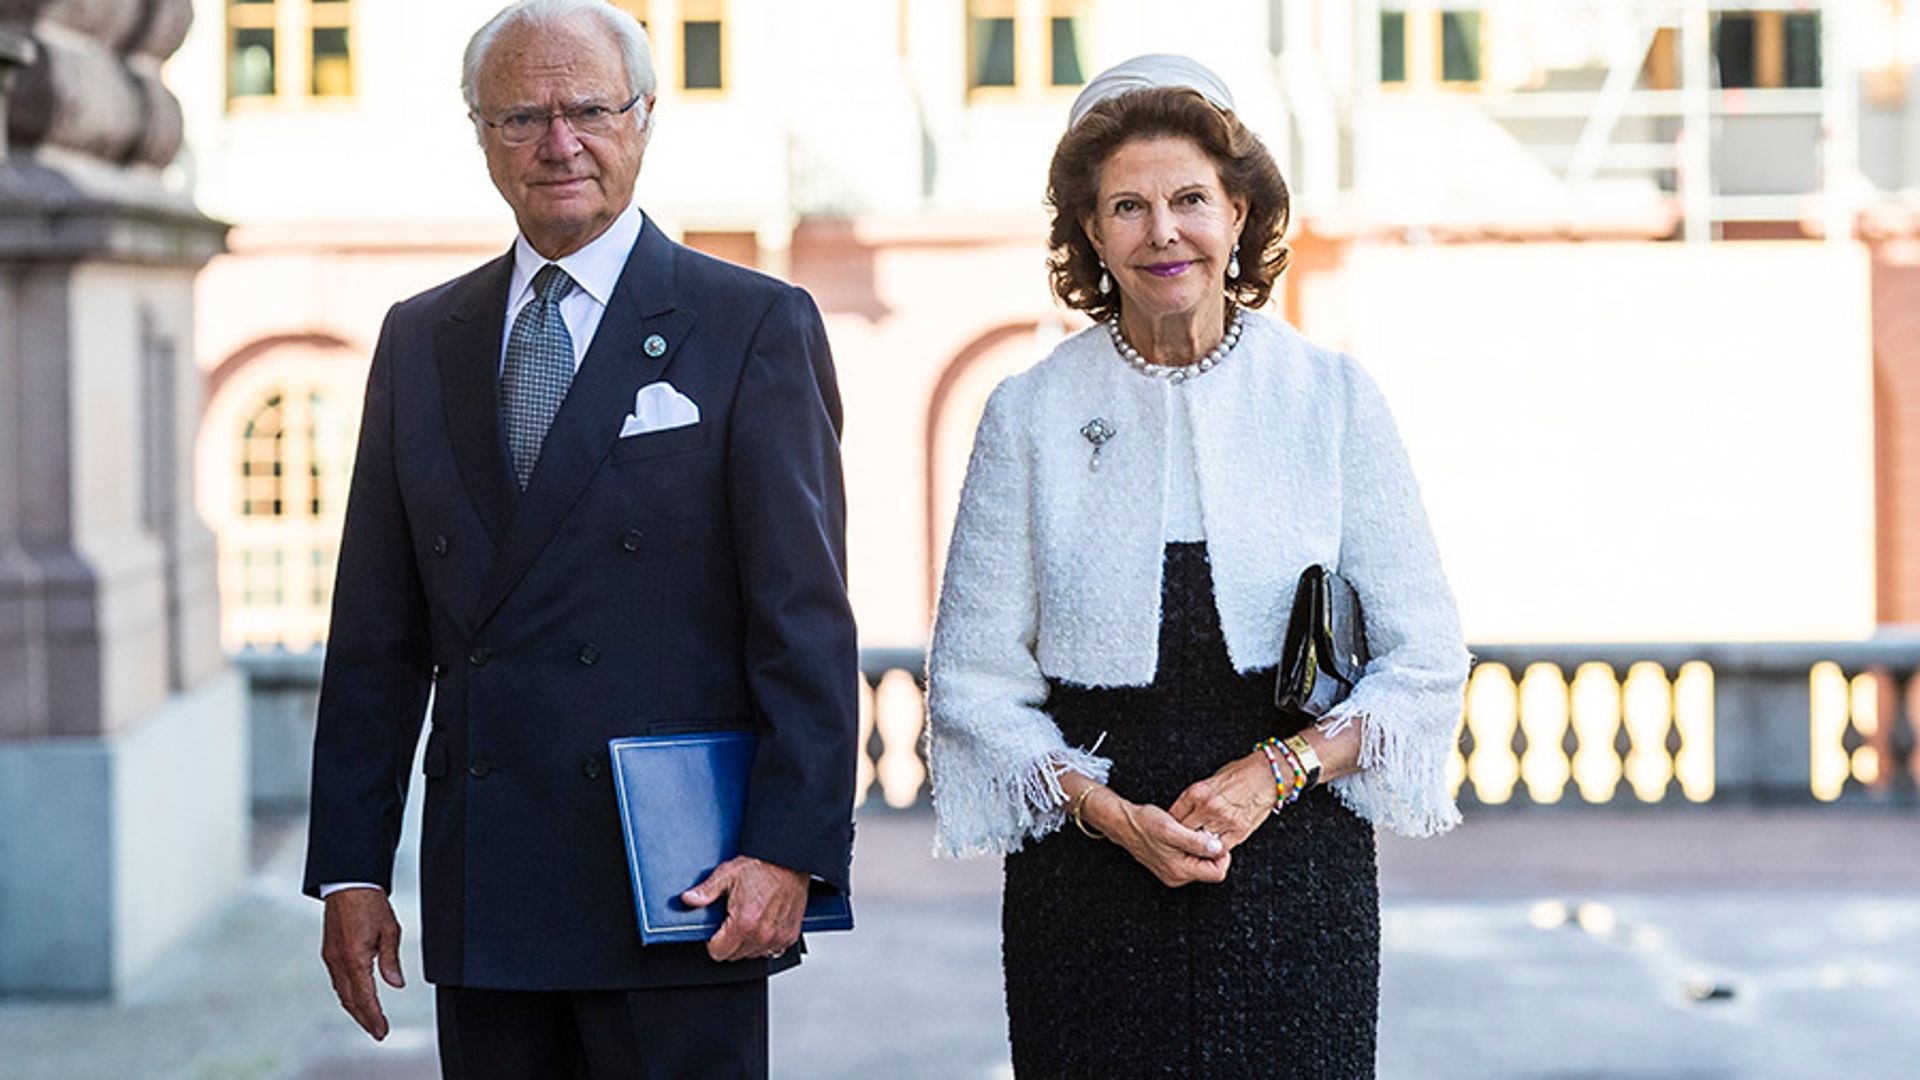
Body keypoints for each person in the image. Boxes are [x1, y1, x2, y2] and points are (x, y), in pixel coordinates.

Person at [301, 1, 858, 1075]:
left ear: (642, 119)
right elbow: (375, 627)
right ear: (479, 135)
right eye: (522, 117)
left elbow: (803, 618)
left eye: (590, 109)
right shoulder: (419, 338)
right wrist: (351, 869)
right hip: (489, 890)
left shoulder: (753, 324)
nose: (560, 144)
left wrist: (790, 850)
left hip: (684, 886)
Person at [926, 55, 1471, 1077]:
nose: (1161, 231)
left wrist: (1279, 770)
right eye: (1126, 206)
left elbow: (1428, 660)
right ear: (1090, 232)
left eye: (1188, 199)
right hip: (1085, 885)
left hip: (1294, 876)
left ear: (1239, 211)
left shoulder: (1332, 398)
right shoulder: (1028, 413)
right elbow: (971, 684)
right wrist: (1104, 811)